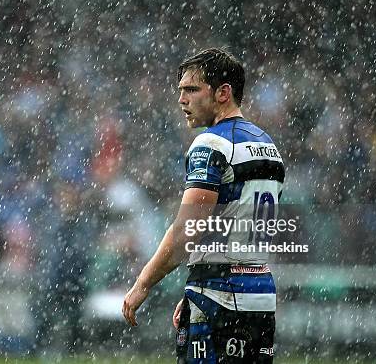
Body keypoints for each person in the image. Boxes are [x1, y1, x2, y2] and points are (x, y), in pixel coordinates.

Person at [122, 48, 284, 363]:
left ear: (223, 93)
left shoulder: (211, 143)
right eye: (180, 90)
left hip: (220, 294)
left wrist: (143, 284)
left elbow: (187, 231)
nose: (182, 99)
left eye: (192, 89)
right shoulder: (268, 145)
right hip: (259, 293)